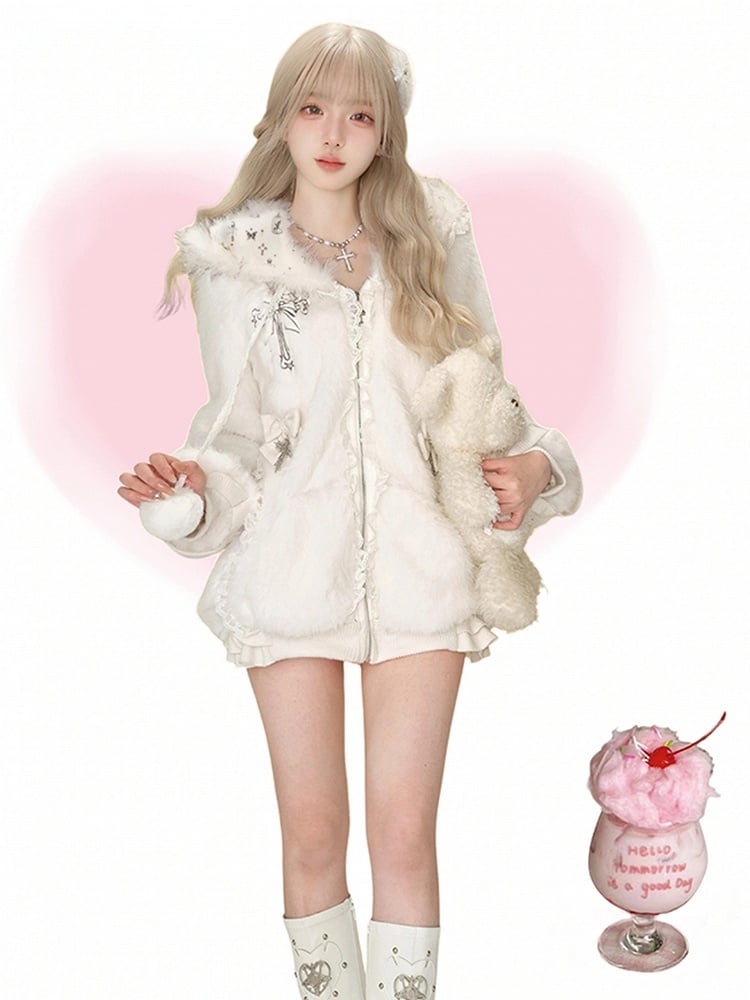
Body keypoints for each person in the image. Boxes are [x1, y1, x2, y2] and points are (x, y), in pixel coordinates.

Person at [117, 23, 582, 1000]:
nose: (334, 133)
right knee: (313, 834)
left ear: (387, 129)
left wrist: (538, 467)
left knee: (405, 833)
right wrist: (190, 494)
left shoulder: (430, 237)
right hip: (288, 572)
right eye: (314, 108)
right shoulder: (236, 261)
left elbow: (490, 405)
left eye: (360, 115)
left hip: (425, 573)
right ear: (282, 118)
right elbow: (238, 438)